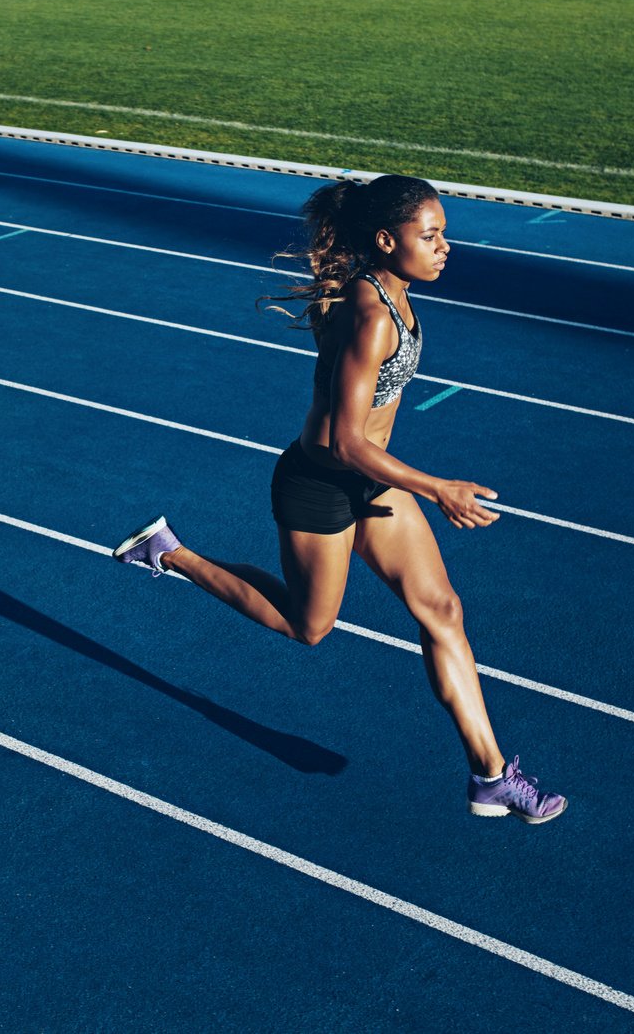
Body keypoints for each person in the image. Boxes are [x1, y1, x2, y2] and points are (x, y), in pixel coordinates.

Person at [113, 175, 565, 824]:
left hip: (370, 482)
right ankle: (170, 551)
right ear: (388, 240)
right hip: (321, 485)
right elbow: (346, 441)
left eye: (444, 234)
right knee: (310, 626)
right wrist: (437, 488)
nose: (445, 247)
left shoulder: (388, 290)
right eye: (429, 235)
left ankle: (491, 774)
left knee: (442, 608)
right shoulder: (374, 314)